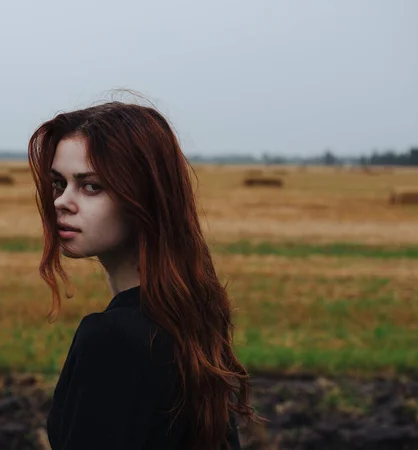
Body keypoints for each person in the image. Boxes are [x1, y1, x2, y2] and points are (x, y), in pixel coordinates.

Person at [27, 100, 258, 450]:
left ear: (143, 197)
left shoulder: (112, 340)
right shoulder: (189, 320)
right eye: (59, 183)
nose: (61, 201)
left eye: (90, 186)